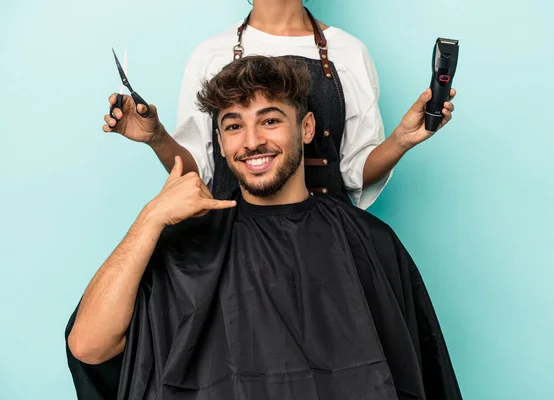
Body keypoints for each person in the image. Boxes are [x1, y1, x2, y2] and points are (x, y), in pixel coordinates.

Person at [68, 55, 462, 399]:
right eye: (234, 126)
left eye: (270, 120)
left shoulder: (369, 243)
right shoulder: (188, 244)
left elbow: (418, 378)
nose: (252, 141)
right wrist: (150, 217)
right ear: (220, 143)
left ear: (306, 129)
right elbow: (89, 346)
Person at [103, 0, 456, 209]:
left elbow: (352, 172)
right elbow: (204, 175)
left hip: (329, 241)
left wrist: (401, 140)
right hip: (234, 242)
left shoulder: (349, 52)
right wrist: (157, 138)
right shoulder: (210, 55)